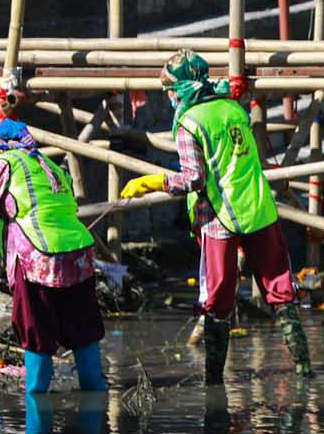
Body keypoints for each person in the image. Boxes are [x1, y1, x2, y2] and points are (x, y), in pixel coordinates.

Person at [121, 51, 312, 384]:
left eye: (169, 89)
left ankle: (213, 383)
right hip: (259, 209)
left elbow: (193, 179)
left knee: (218, 300)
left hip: (220, 217)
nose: (168, 96)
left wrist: (156, 182)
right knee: (281, 290)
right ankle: (304, 368)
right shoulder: (232, 109)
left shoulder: (189, 122)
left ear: (179, 88)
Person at [0, 119, 105, 394]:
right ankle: (95, 412)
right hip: (80, 254)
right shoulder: (48, 165)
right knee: (83, 330)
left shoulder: (3, 163)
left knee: (36, 331)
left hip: (38, 258)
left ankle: (36, 412)